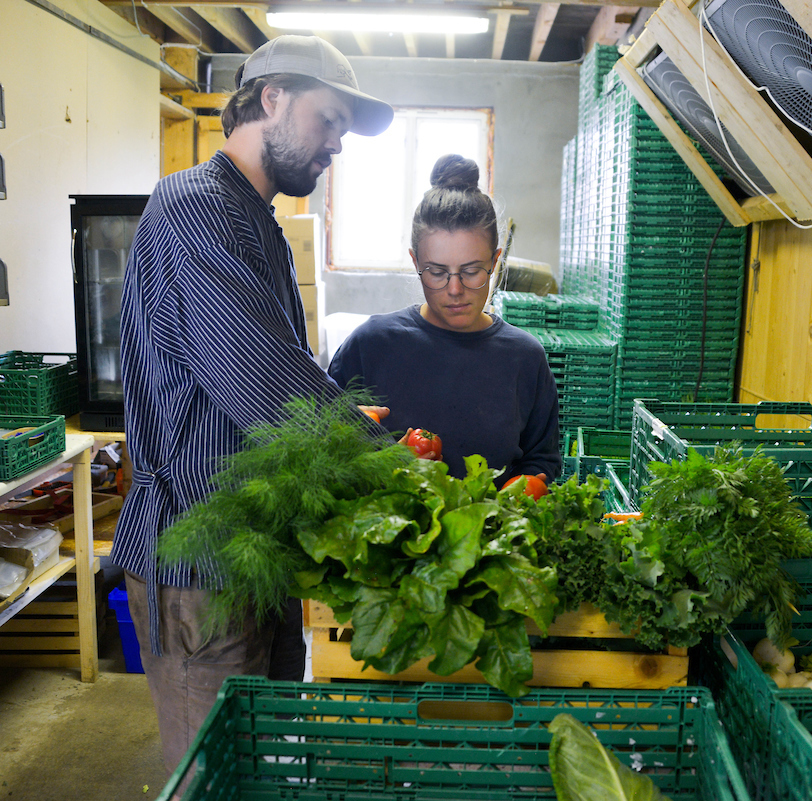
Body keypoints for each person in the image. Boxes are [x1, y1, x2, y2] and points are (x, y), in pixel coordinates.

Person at [113, 35, 393, 775]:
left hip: (255, 555)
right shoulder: (194, 210)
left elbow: (289, 371)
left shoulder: (254, 219)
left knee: (262, 766)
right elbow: (269, 385)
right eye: (328, 120)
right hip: (200, 565)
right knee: (215, 774)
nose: (336, 144)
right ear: (272, 98)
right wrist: (394, 473)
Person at [327, 154, 561, 483]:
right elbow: (322, 448)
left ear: (495, 261)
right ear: (415, 261)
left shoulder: (525, 358)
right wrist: (375, 452)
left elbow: (541, 459)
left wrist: (518, 495)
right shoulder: (370, 346)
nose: (454, 289)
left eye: (471, 271)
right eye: (436, 272)